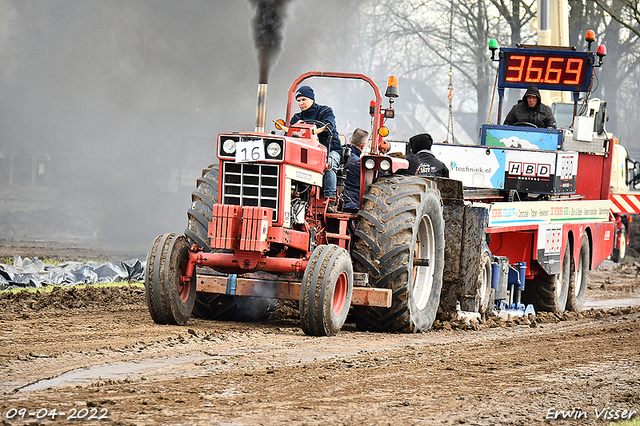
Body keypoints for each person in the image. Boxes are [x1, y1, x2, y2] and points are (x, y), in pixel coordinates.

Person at [279, 85, 342, 212]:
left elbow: (328, 126)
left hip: (330, 149)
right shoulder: (297, 118)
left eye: (303, 99)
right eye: (298, 101)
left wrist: (308, 126)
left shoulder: (325, 111)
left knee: (329, 164)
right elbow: (289, 135)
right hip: (305, 153)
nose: (301, 103)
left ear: (311, 99)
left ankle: (329, 201)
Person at [341, 128, 369, 212]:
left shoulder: (337, 154)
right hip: (352, 204)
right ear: (363, 145)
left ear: (350, 139)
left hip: (334, 201)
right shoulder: (359, 164)